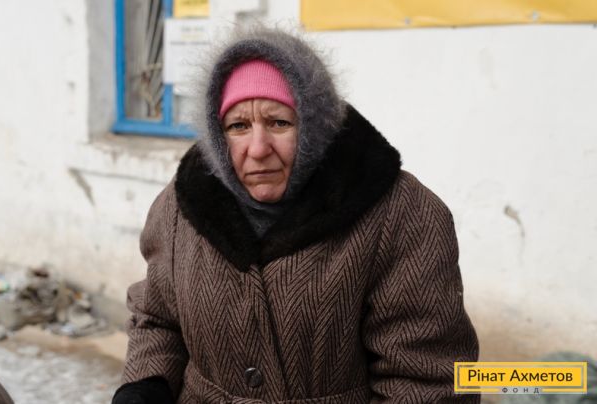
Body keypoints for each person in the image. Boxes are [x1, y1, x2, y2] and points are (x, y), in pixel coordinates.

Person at [112, 26, 480, 403]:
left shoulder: (399, 214)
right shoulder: (182, 207)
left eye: (279, 123)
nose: (258, 148)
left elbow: (427, 381)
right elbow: (157, 319)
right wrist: (145, 385)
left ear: (315, 125)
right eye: (238, 126)